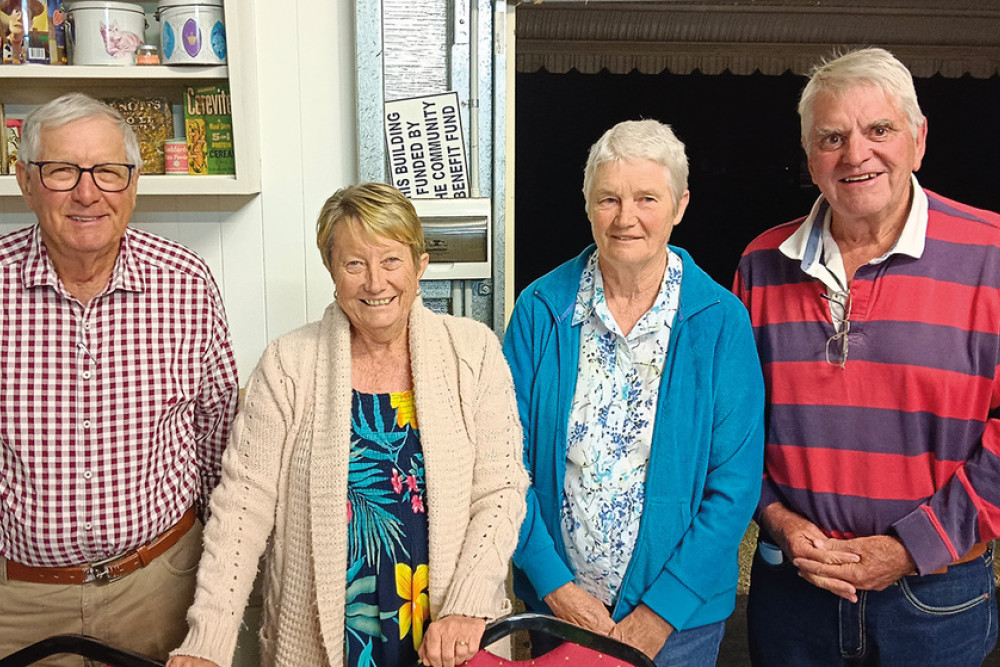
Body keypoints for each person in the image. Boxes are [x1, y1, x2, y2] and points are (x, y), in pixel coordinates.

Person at [167, 182, 528, 667]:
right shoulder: (289, 363)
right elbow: (240, 510)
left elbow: (501, 490)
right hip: (324, 636)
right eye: (355, 263)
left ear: (420, 266)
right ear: (332, 272)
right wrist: (207, 642)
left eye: (391, 261)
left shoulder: (474, 351)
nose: (375, 282)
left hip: (449, 633)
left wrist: (468, 603)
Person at [735, 47, 1000, 666]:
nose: (856, 154)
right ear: (810, 158)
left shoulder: (992, 255)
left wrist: (911, 547)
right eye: (833, 137)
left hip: (936, 598)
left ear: (918, 138)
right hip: (794, 594)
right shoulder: (760, 264)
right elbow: (733, 426)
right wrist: (774, 517)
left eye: (878, 129)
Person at [503, 119, 765, 666]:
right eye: (609, 199)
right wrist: (555, 588)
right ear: (587, 204)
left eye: (647, 197)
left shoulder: (720, 322)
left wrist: (658, 615)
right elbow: (505, 465)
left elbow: (735, 486)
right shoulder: (540, 310)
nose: (626, 218)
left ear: (680, 205)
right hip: (563, 612)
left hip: (680, 625)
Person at [0, 93, 239, 664]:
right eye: (62, 171)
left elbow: (219, 431)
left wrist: (211, 571)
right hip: (20, 599)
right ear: (25, 180)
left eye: (108, 171)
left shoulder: (185, 281)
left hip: (160, 587)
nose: (88, 193)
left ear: (133, 183)